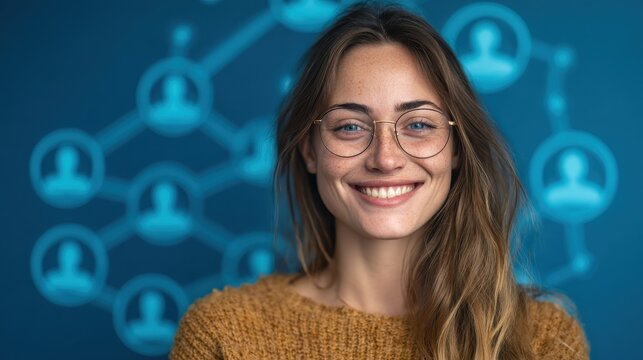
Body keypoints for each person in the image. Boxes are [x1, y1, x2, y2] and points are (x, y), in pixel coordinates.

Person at [170, 2, 590, 359]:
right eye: (350, 127)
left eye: (419, 125)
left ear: (457, 148)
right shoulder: (224, 337)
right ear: (309, 150)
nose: (386, 158)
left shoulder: (544, 341)